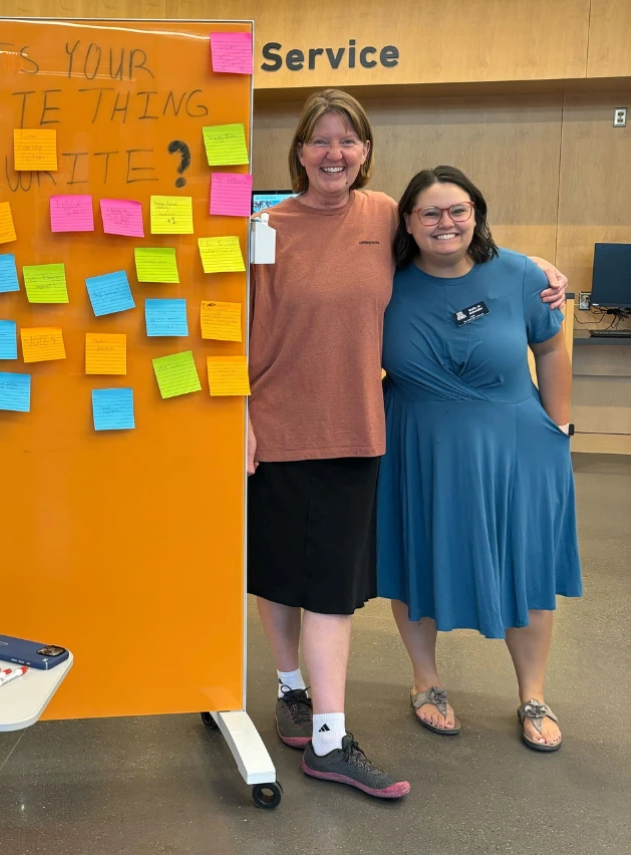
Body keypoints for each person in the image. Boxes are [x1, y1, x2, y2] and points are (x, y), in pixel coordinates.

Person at [246, 89, 567, 799]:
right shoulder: (264, 228)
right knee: (274, 568)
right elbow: (237, 326)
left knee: (332, 580)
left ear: (365, 152)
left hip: (360, 426)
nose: (334, 152)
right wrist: (239, 411)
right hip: (273, 422)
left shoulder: (385, 215)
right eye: (320, 140)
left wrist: (536, 269)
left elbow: (454, 237)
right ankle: (291, 687)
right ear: (298, 150)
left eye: (348, 140)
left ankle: (328, 734)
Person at [377, 166, 581, 752]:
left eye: (458, 210)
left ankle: (533, 693)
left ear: (476, 213)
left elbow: (551, 346)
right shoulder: (385, 281)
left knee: (527, 565)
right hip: (420, 443)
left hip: (517, 445)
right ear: (409, 223)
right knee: (417, 559)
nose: (446, 223)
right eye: (430, 213)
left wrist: (557, 425)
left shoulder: (519, 273)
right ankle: (426, 682)